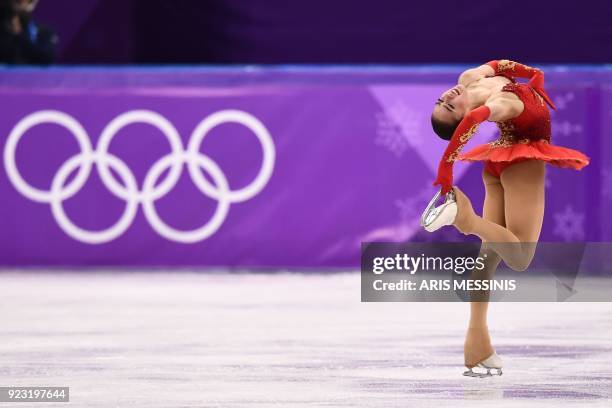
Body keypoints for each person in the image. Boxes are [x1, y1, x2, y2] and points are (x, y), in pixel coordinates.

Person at [422, 59, 589, 377]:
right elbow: (476, 116)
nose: (448, 96)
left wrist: (531, 73)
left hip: (499, 161)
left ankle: (478, 346)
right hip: (521, 162)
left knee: (486, 259)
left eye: (441, 100)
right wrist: (447, 166)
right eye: (449, 106)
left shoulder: (469, 79)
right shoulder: (501, 105)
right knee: (521, 256)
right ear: (461, 123)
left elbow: (496, 64)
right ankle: (465, 219)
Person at [0, 0, 56, 64]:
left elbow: (48, 57)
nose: (20, 6)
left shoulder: (44, 32)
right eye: (17, 2)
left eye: (22, 2)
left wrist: (19, 35)